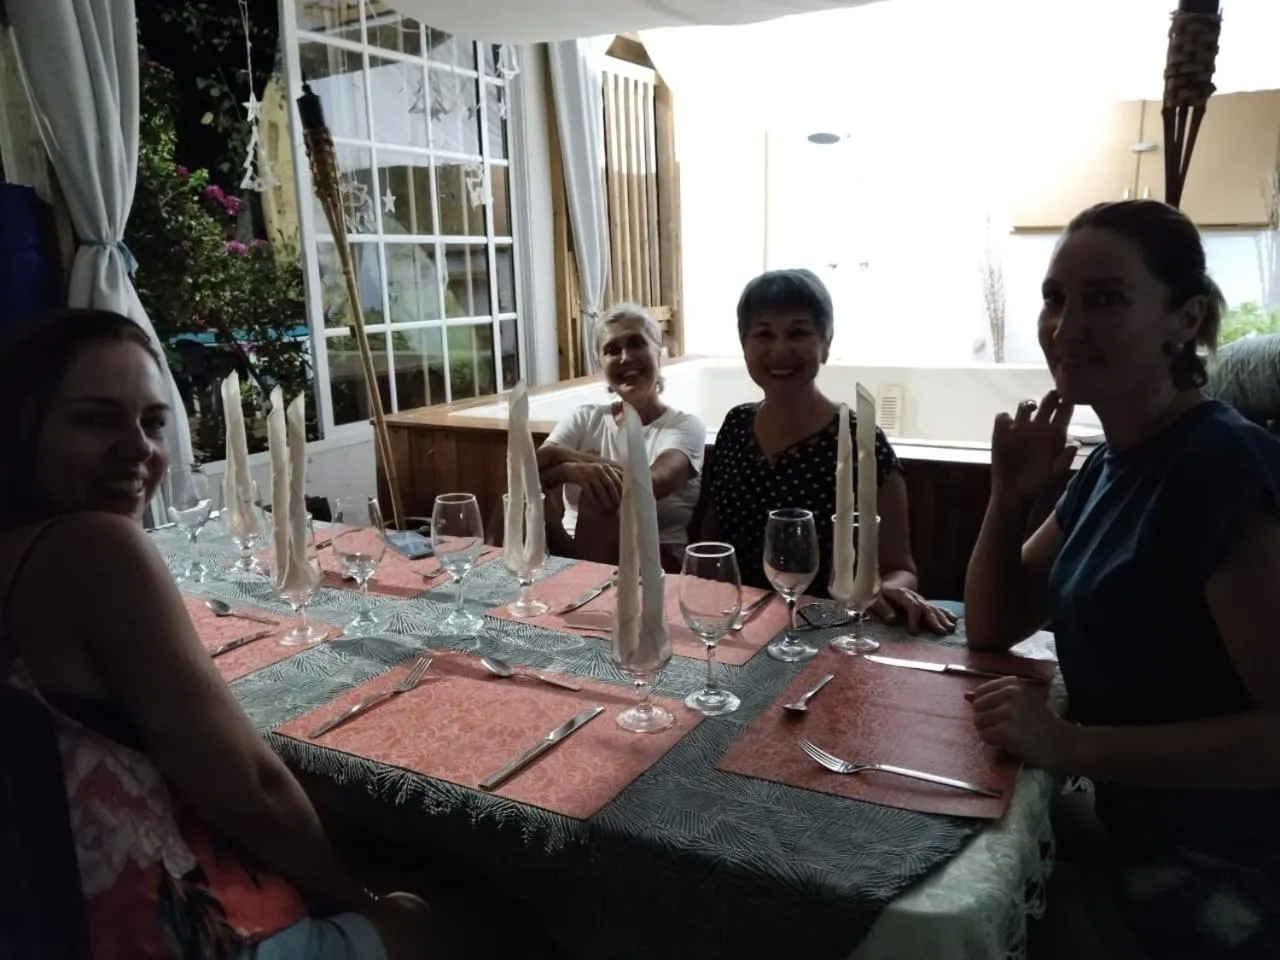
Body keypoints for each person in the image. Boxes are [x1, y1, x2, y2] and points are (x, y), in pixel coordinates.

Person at [0, 309, 441, 959]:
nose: (138, 450)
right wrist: (360, 902)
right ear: (19, 429)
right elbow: (250, 791)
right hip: (153, 931)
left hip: (48, 913)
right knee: (469, 913)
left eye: (152, 423)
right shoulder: (93, 549)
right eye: (95, 419)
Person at [964, 200, 1280, 958]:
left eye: (1106, 298)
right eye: (1055, 298)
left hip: (1236, 859)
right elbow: (994, 625)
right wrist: (1007, 498)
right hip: (1132, 823)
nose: (1066, 327)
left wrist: (1070, 747)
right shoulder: (1110, 465)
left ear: (1185, 318)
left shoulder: (1220, 467)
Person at [691, 269, 954, 633]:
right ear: (744, 346)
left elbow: (901, 569)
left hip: (828, 632)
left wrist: (889, 591)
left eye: (798, 333)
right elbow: (712, 544)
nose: (780, 350)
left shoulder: (861, 440)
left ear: (826, 344)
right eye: (764, 334)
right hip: (736, 627)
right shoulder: (735, 425)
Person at [537, 303, 705, 570]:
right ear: (600, 363)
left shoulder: (684, 426)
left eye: (636, 343)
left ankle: (589, 597)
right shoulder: (585, 417)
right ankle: (490, 591)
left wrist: (567, 458)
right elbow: (536, 466)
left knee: (604, 494)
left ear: (658, 353)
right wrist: (572, 471)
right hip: (569, 551)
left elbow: (651, 483)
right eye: (612, 350)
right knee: (519, 492)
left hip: (654, 560)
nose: (625, 357)